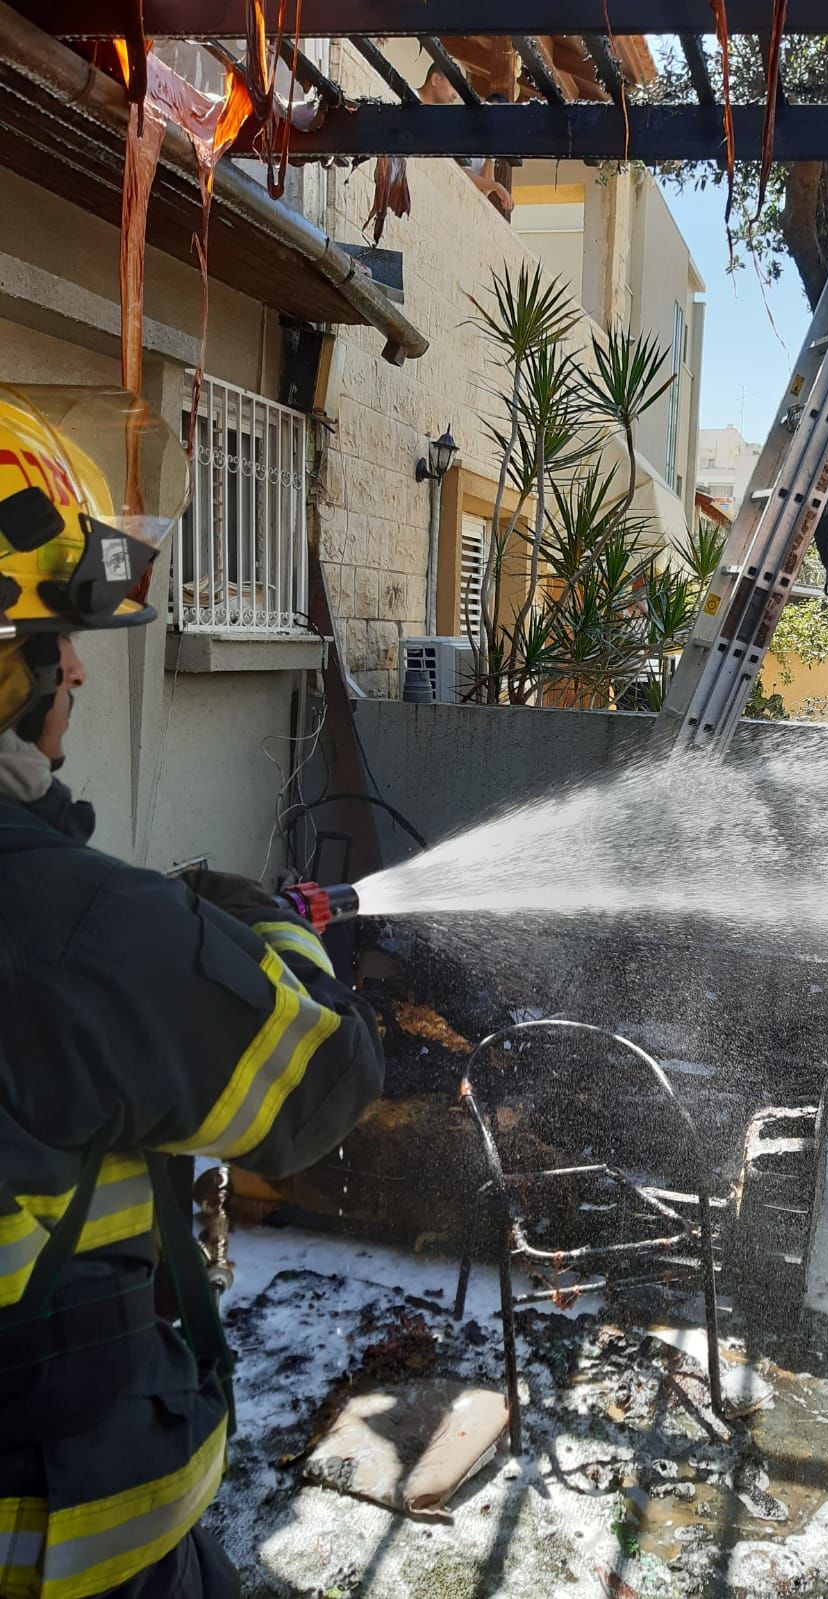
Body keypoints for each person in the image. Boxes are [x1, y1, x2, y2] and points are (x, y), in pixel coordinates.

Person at [0, 387, 386, 1597]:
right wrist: (277, 935)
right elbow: (322, 1081)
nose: (76, 668)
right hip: (70, 1550)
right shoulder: (74, 926)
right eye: (49, 639)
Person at [416, 66, 514, 215]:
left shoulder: (443, 125)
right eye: (453, 86)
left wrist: (491, 157)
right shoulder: (456, 128)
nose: (455, 95)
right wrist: (495, 185)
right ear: (435, 80)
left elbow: (482, 191)